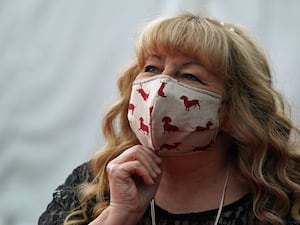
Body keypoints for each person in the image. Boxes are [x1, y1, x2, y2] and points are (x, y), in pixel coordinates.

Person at [38, 12, 300, 225]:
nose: (160, 87)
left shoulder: (285, 196)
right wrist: (119, 215)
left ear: (234, 110)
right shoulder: (93, 185)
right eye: (151, 68)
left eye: (189, 76)